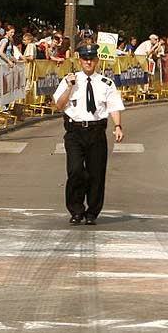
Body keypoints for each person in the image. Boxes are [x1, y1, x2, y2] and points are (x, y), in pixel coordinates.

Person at [53, 43, 125, 225]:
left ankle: (92, 212)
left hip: (96, 131)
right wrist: (69, 88)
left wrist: (117, 126)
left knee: (96, 174)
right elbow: (59, 106)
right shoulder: (69, 80)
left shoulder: (106, 83)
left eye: (92, 58)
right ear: (79, 60)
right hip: (74, 132)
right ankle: (76, 209)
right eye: (85, 58)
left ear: (97, 60)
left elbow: (113, 106)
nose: (88, 62)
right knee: (75, 171)